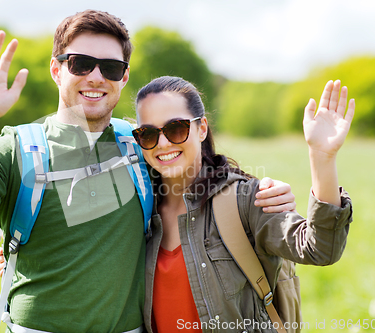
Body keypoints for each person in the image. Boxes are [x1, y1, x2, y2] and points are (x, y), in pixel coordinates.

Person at [0, 10, 296, 333]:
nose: (96, 77)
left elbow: (197, 173)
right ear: (57, 69)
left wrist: (258, 187)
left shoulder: (142, 144)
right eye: (81, 64)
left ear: (124, 77)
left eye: (111, 67)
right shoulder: (15, 149)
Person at [125, 76, 353, 332]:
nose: (163, 143)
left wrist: (322, 158)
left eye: (176, 128)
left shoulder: (244, 199)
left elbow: (320, 249)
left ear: (201, 129)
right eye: (148, 134)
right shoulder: (140, 211)